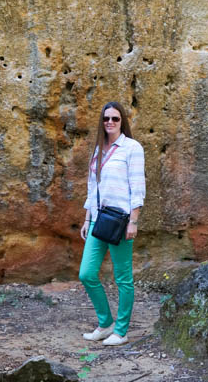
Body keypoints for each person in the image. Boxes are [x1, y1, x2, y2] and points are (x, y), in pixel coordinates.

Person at [78, 101, 146, 347]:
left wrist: (133, 221)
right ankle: (105, 323)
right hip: (98, 219)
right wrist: (87, 219)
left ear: (122, 121)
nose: (110, 122)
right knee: (86, 273)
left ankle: (121, 330)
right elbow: (92, 188)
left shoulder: (131, 148)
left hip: (120, 220)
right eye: (106, 118)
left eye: (115, 119)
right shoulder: (99, 149)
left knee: (123, 278)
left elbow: (138, 187)